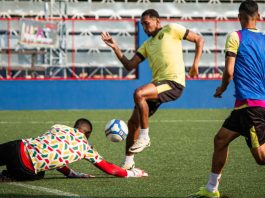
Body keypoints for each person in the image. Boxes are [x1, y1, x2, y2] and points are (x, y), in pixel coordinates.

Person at [101, 9, 204, 169]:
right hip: (158, 85)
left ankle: (145, 136)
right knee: (133, 122)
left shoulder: (171, 29)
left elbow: (199, 39)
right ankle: (128, 163)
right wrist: (115, 48)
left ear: (157, 21)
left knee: (139, 93)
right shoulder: (147, 45)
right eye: (142, 24)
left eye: (146, 23)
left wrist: (195, 64)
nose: (144, 27)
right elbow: (129, 65)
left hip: (173, 82)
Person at [190, 1, 265, 197]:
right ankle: (211, 189)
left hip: (251, 106)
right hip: (245, 106)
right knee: (220, 140)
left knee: (261, 158)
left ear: (240, 17)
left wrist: (221, 88)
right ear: (258, 17)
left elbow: (229, 71)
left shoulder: (235, 36)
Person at [0, 118, 147, 181]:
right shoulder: (85, 149)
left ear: (75, 126)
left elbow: (51, 149)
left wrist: (71, 173)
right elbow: (110, 169)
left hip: (16, 146)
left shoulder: (59, 127)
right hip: (24, 166)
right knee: (39, 174)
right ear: (87, 134)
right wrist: (132, 173)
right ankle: (7, 175)